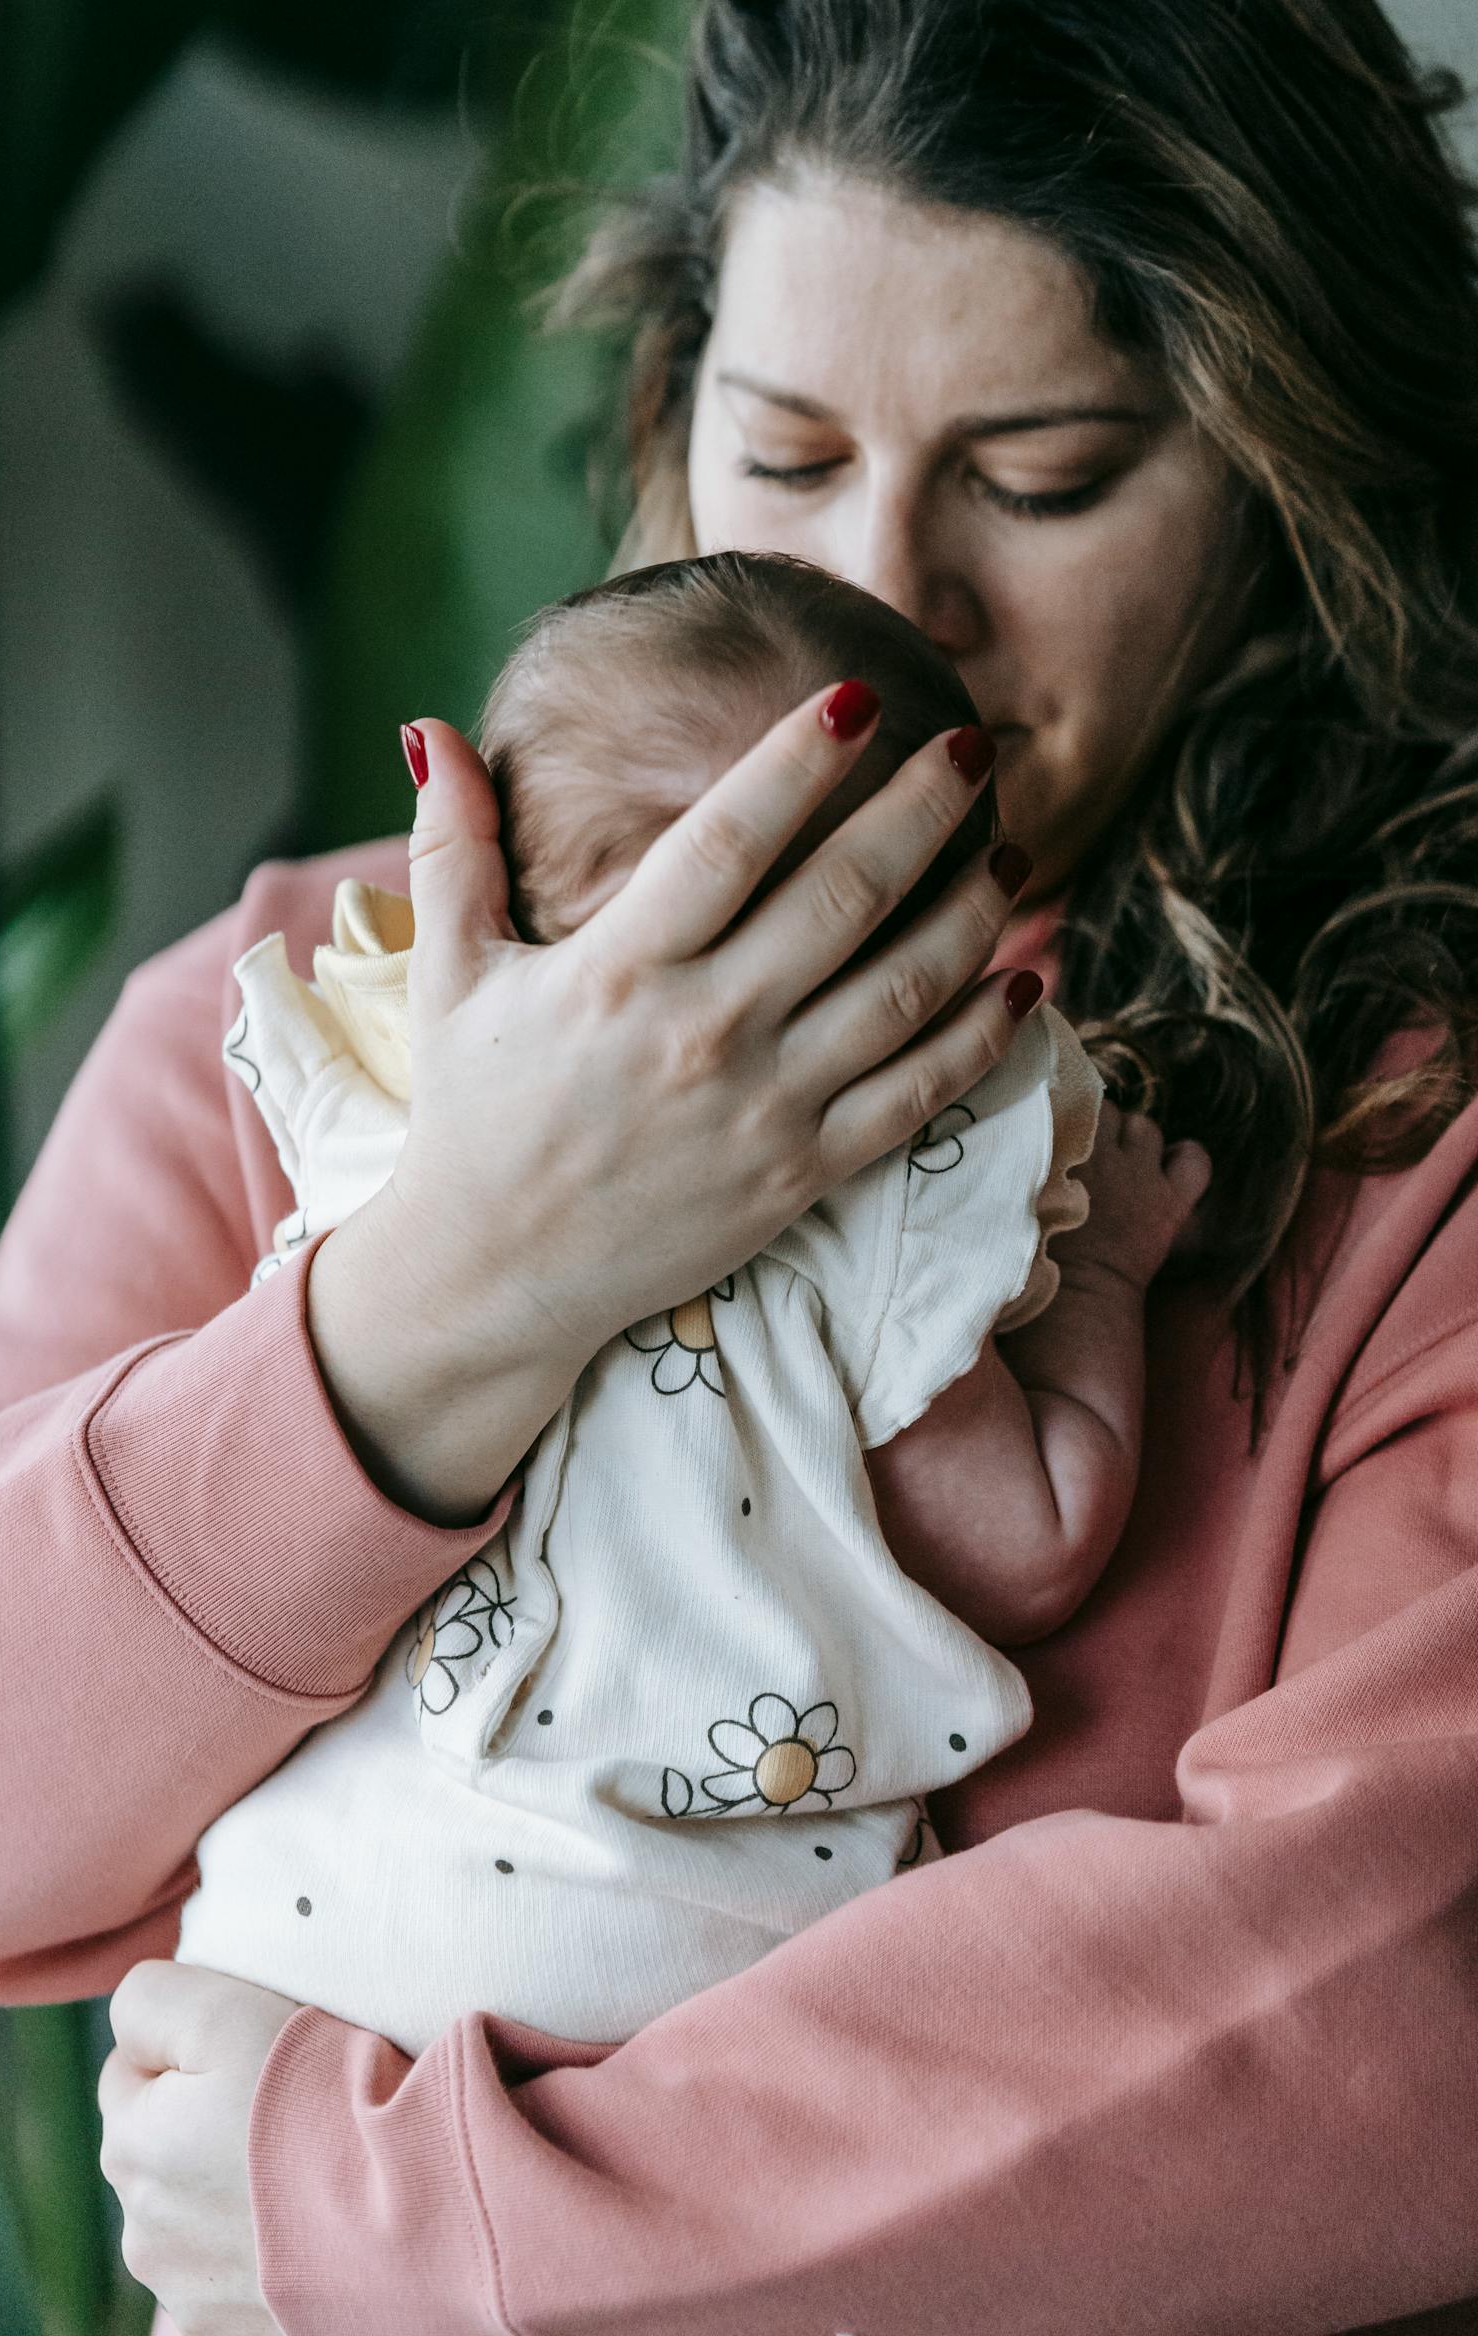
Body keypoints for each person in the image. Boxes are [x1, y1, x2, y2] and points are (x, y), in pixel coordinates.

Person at [0, 0, 1478, 2335]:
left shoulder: (1401, 1158)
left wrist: (417, 2219)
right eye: (785, 460)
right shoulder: (295, 1021)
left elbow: (1398, 2026)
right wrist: (463, 1277)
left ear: (1282, 492)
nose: (884, 607)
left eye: (1043, 480)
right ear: (668, 421)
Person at [177, 552, 1199, 2056]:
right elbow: (1027, 1550)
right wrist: (1104, 1269)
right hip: (659, 1960)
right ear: (910, 969)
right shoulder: (871, 1224)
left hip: (291, 1939)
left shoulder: (368, 1111)